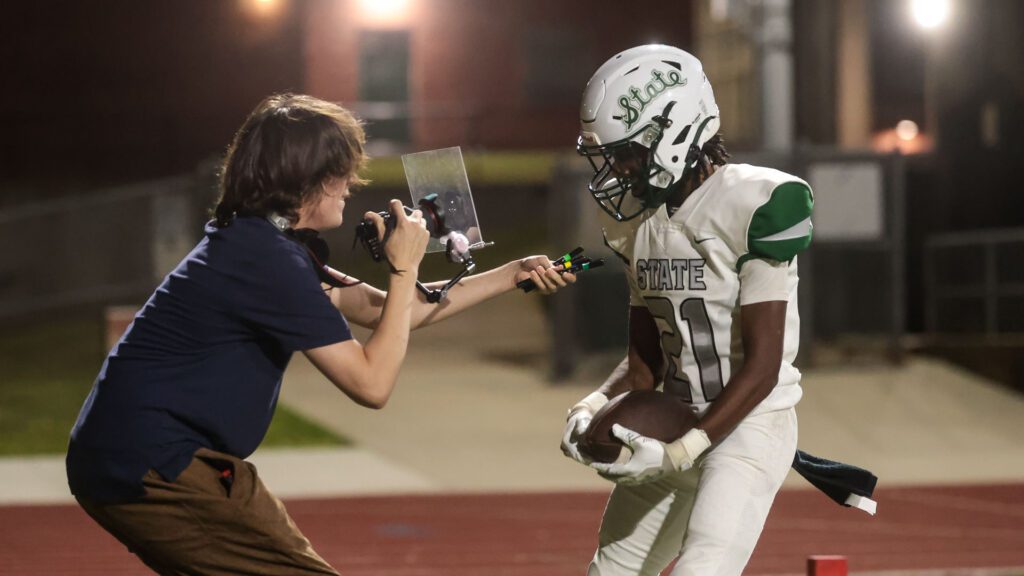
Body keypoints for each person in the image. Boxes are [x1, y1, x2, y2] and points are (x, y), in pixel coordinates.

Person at [67, 93, 574, 575]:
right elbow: (371, 385)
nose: (352, 181)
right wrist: (402, 267)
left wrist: (510, 275)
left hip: (141, 456)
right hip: (154, 463)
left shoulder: (264, 242)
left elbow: (385, 312)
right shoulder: (268, 260)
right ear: (304, 178)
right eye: (341, 171)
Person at [559, 45, 814, 576]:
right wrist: (594, 402)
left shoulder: (754, 205)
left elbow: (763, 368)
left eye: (627, 152)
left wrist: (684, 450)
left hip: (748, 424)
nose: (619, 170)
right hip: (674, 417)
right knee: (609, 574)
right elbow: (643, 358)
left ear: (672, 132)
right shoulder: (637, 226)